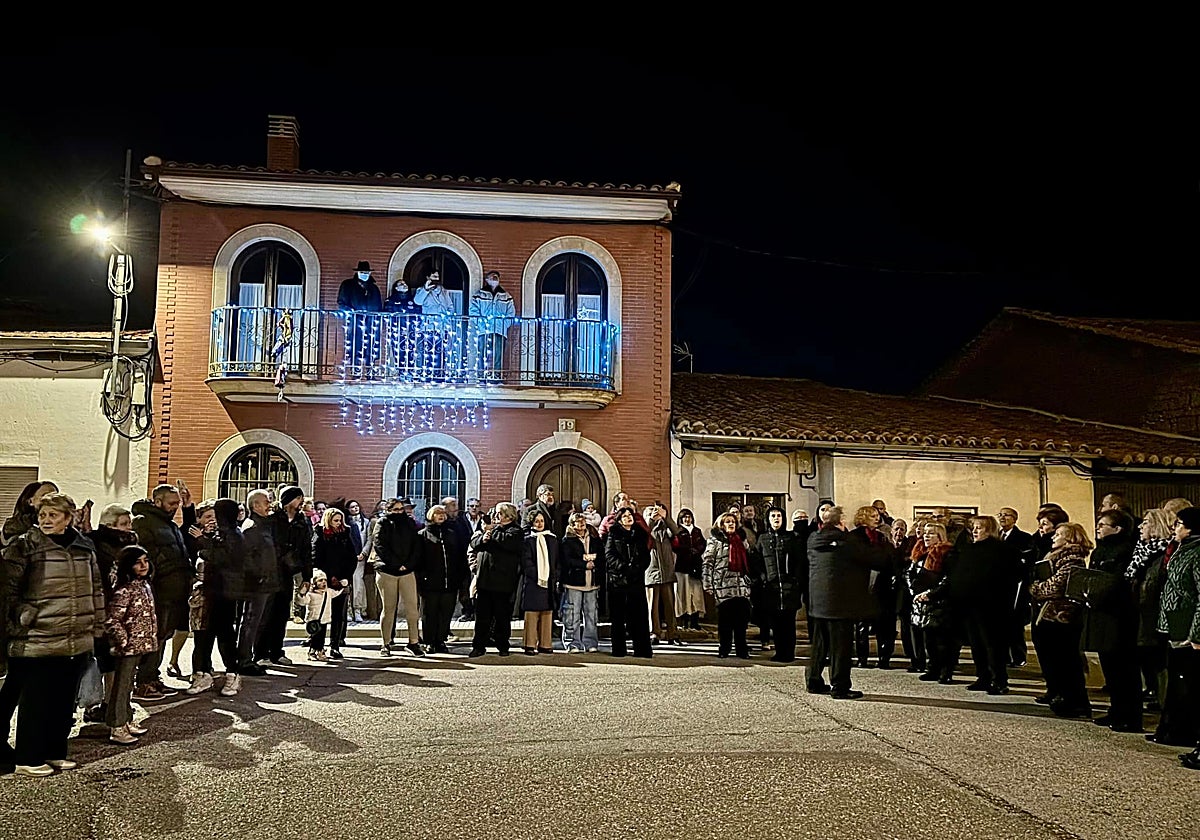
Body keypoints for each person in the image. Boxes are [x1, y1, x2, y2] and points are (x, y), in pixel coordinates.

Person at [0, 492, 104, 777]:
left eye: (53, 515)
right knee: (36, 701)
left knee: (62, 699)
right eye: (43, 515)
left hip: (74, 634)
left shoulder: (85, 547)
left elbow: (95, 587)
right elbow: (7, 588)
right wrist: (20, 616)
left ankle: (54, 752)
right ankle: (28, 757)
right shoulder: (26, 546)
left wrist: (98, 622)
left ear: (68, 518)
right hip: (37, 634)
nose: (46, 520)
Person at [806, 505, 894, 698]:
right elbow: (876, 560)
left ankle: (813, 681)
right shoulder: (847, 541)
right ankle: (840, 687)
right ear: (841, 523)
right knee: (841, 648)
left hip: (818, 603)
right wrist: (889, 547)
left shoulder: (813, 539)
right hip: (840, 603)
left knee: (820, 645)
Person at [948, 515, 1023, 695]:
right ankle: (983, 677)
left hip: (992, 606)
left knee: (993, 645)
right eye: (973, 527)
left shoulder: (1002, 551)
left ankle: (999, 680)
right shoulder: (968, 549)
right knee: (976, 644)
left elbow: (1011, 577)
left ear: (989, 530)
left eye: (979, 528)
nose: (974, 531)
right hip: (969, 605)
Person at [1082, 508, 1142, 731]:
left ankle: (1130, 715)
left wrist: (1098, 593)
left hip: (1118, 615)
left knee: (1124, 667)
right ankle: (1115, 710)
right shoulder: (1100, 551)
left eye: (1103, 525)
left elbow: (1116, 581)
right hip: (1100, 613)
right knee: (1110, 667)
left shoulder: (1124, 551)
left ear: (1117, 529)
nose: (1098, 528)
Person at [131, 484, 190, 700]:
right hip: (158, 591)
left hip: (173, 592)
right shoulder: (143, 522)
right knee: (152, 638)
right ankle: (143, 683)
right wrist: (166, 570)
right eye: (172, 503)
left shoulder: (170, 525)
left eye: (178, 503)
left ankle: (153, 678)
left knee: (163, 636)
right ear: (158, 501)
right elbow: (145, 556)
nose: (176, 507)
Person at [1029, 522, 1094, 718]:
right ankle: (1060, 695)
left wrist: (1035, 588)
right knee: (1055, 660)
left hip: (1062, 617)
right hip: (1049, 614)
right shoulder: (1054, 557)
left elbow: (1053, 587)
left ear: (1070, 538)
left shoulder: (1072, 561)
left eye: (1058, 534)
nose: (1053, 537)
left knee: (1066, 661)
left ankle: (1075, 701)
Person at [1152, 506, 1200, 759]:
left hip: (1189, 626)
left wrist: (1197, 634)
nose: (1175, 528)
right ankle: (1173, 728)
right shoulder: (1182, 549)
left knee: (1189, 683)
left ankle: (1186, 731)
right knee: (1177, 680)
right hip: (1174, 622)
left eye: (1179, 523)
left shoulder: (1197, 552)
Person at [188, 499, 245, 697]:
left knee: (225, 635)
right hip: (212, 591)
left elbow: (224, 559)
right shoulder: (222, 533)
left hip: (225, 593)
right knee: (205, 634)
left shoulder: (235, 535)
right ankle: (203, 673)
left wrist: (204, 541)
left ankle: (233, 673)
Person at [103, 545, 157, 745]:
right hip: (128, 647)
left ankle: (126, 720)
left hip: (140, 645)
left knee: (128, 686)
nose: (143, 566)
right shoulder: (125, 590)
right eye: (137, 562)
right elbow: (113, 619)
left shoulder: (144, 585)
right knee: (121, 685)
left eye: (145, 560)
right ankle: (116, 725)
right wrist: (123, 641)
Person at [256, 485, 312, 667]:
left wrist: (307, 576)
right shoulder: (272, 518)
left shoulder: (302, 521)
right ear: (288, 499)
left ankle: (277, 652)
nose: (301, 502)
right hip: (270, 572)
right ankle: (261, 653)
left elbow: (306, 549)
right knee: (266, 614)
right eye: (298, 498)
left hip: (288, 572)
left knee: (281, 614)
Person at [1126, 508, 1173, 714]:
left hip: (1154, 616)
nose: (1140, 527)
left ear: (1156, 526)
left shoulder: (1163, 554)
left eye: (1145, 523)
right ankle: (1154, 692)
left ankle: (1165, 703)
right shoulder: (1141, 552)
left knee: (1158, 661)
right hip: (1140, 614)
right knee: (1146, 659)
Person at [469, 502, 525, 657]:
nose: (495, 516)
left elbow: (507, 542)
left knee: (502, 616)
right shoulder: (491, 529)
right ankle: (479, 646)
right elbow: (474, 543)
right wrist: (483, 539)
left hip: (503, 581)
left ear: (508, 515)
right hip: (484, 580)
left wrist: (490, 533)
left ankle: (503, 645)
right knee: (482, 617)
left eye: (499, 513)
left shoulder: (515, 531)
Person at [373, 497, 425, 657]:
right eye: (395, 509)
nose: (399, 512)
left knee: (412, 608)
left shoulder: (409, 524)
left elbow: (417, 546)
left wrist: (408, 564)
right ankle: (386, 643)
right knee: (389, 609)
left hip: (407, 571)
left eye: (401, 509)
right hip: (386, 571)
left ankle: (413, 642)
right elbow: (380, 545)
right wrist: (396, 564)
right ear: (388, 510)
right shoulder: (382, 523)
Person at [237, 489, 280, 677]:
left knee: (257, 622)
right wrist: (259, 576)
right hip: (257, 584)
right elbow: (247, 557)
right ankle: (244, 660)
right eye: (265, 502)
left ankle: (250, 658)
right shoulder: (252, 527)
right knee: (251, 621)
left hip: (266, 581)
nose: (269, 505)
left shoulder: (262, 525)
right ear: (255, 505)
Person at [755, 506, 804, 663]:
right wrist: (763, 578)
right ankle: (779, 651)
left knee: (788, 623)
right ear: (768, 519)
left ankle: (789, 652)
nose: (776, 519)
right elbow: (757, 561)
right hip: (771, 588)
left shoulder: (791, 538)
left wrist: (795, 579)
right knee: (775, 623)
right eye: (773, 516)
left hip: (789, 587)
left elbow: (799, 561)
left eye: (779, 516)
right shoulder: (762, 539)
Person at [908, 522, 956, 683]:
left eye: (931, 533)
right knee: (929, 640)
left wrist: (931, 593)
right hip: (921, 602)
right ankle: (933, 669)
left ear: (940, 536)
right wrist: (914, 590)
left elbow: (948, 579)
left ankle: (945, 671)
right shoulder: (920, 553)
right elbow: (909, 573)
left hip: (939, 602)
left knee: (942, 640)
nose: (926, 536)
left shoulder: (947, 553)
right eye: (925, 533)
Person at [417, 504, 466, 654]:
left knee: (446, 613)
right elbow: (419, 560)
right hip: (430, 582)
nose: (441, 516)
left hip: (450, 582)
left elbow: (459, 556)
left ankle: (440, 640)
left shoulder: (452, 533)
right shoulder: (422, 535)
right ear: (431, 515)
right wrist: (422, 579)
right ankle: (429, 641)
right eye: (438, 513)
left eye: (443, 513)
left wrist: (459, 577)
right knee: (430, 613)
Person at [606, 506, 653, 658]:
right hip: (618, 580)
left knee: (639, 616)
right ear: (619, 520)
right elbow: (609, 555)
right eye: (625, 516)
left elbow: (646, 556)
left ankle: (642, 649)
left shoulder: (640, 534)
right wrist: (623, 567)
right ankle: (619, 649)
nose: (628, 518)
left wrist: (637, 568)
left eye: (630, 515)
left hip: (636, 580)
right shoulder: (613, 534)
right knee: (618, 617)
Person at [311, 507, 357, 660]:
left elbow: (352, 557)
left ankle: (335, 646)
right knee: (321, 615)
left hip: (342, 581)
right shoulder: (320, 534)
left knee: (339, 615)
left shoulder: (345, 534)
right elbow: (316, 557)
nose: (338, 524)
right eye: (335, 520)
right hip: (325, 580)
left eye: (340, 520)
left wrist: (344, 577)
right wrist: (327, 577)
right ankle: (317, 646)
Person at [997, 506, 1036, 666]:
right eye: (1000, 515)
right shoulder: (995, 536)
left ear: (1014, 519)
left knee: (1015, 624)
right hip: (998, 585)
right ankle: (1003, 656)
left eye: (1006, 515)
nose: (1002, 517)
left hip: (1015, 585)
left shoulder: (1023, 537)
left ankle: (1018, 657)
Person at [560, 512, 602, 653]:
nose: (581, 523)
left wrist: (595, 562)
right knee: (572, 614)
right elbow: (567, 560)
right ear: (572, 525)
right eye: (578, 521)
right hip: (574, 582)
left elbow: (601, 556)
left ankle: (590, 642)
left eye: (583, 521)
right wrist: (584, 564)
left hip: (592, 582)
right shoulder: (567, 541)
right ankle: (572, 643)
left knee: (591, 615)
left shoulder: (595, 539)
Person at [521, 508, 559, 655]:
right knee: (532, 613)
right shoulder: (527, 540)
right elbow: (526, 562)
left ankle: (545, 644)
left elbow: (556, 560)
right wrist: (536, 576)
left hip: (549, 580)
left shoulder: (552, 539)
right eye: (536, 521)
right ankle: (529, 644)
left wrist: (554, 576)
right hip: (533, 581)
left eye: (542, 521)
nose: (539, 523)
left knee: (547, 612)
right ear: (531, 522)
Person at [337, 260, 384, 376]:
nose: (365, 274)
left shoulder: (374, 288)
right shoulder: (347, 285)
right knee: (355, 344)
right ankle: (356, 369)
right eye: (362, 272)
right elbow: (341, 303)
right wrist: (351, 312)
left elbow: (378, 305)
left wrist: (378, 316)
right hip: (355, 321)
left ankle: (370, 369)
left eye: (367, 272)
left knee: (372, 345)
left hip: (372, 321)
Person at [644, 503, 681, 646]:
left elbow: (676, 532)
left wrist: (666, 518)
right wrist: (651, 520)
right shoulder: (647, 528)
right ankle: (654, 632)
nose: (655, 514)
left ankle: (673, 633)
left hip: (667, 570)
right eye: (652, 512)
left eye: (658, 512)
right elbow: (646, 532)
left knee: (670, 604)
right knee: (652, 605)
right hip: (651, 570)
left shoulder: (666, 529)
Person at [470, 269, 515, 380]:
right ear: (486, 280)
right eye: (492, 276)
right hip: (483, 329)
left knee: (498, 355)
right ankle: (481, 376)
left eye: (496, 277)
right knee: (481, 354)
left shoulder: (506, 296)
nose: (495, 278)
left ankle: (496, 376)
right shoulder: (479, 294)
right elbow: (473, 311)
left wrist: (504, 324)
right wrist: (481, 322)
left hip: (499, 330)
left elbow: (511, 313)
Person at [672, 507, 707, 631]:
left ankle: (695, 620)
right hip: (682, 566)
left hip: (696, 566)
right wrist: (686, 550)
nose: (687, 519)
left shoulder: (697, 531)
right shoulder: (678, 531)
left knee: (696, 595)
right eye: (684, 517)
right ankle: (683, 620)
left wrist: (697, 550)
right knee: (683, 594)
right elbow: (675, 546)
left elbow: (703, 544)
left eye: (689, 516)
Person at [300, 569, 345, 662]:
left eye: (325, 580)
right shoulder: (310, 594)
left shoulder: (328, 592)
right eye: (320, 581)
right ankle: (312, 651)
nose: (324, 582)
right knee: (314, 637)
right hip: (313, 620)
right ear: (314, 583)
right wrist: (301, 594)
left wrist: (341, 585)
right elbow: (302, 601)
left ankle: (320, 650)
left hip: (324, 619)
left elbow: (337, 592)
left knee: (322, 637)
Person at [1, 480, 59, 547]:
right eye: (45, 495)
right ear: (30, 501)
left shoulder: (65, 522)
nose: (52, 500)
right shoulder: (15, 524)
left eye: (56, 496)